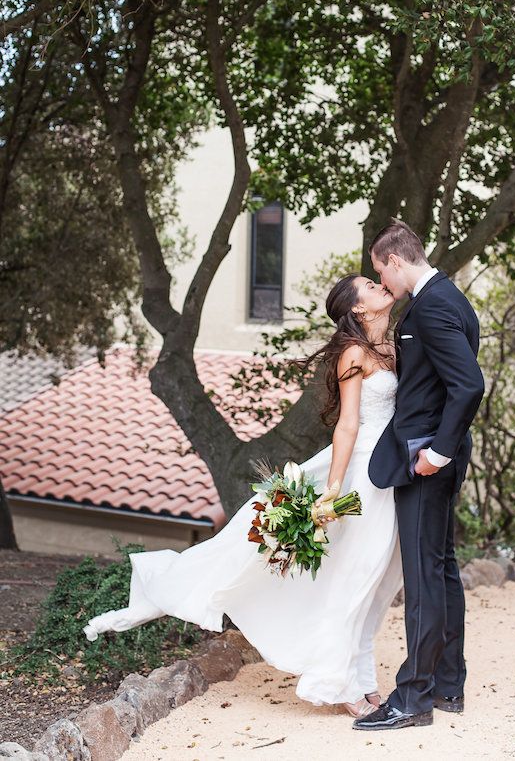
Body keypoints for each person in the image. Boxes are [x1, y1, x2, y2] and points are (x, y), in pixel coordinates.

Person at [84, 274, 403, 717]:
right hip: (363, 473)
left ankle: (364, 679)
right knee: (354, 576)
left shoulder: (390, 347)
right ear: (358, 309)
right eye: (370, 285)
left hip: (391, 471)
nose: (381, 286)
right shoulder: (354, 353)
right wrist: (332, 491)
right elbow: (347, 424)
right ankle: (338, 683)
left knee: (377, 581)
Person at [353, 219, 485, 732]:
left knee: (424, 574)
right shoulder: (448, 297)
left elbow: (468, 385)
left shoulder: (431, 307)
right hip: (436, 455)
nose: (382, 284)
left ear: (397, 261)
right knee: (442, 568)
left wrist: (438, 452)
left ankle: (413, 698)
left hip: (428, 460)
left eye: (381, 273)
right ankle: (448, 685)